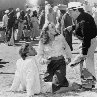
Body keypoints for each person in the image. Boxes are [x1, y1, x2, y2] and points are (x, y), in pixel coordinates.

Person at [65, 2, 97, 89]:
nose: (70, 15)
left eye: (70, 12)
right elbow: (80, 27)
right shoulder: (82, 16)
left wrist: (84, 51)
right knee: (85, 62)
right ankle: (88, 83)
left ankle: (88, 85)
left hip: (89, 41)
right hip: (88, 41)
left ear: (76, 10)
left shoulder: (83, 20)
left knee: (87, 63)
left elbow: (86, 36)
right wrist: (73, 27)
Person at [38, 23, 72, 93]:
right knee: (46, 83)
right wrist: (44, 61)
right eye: (52, 27)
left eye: (54, 26)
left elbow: (67, 47)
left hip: (61, 63)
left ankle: (72, 87)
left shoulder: (60, 37)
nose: (55, 28)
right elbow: (39, 55)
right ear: (47, 30)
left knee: (55, 86)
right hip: (50, 64)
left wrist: (68, 57)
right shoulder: (42, 41)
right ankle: (64, 81)